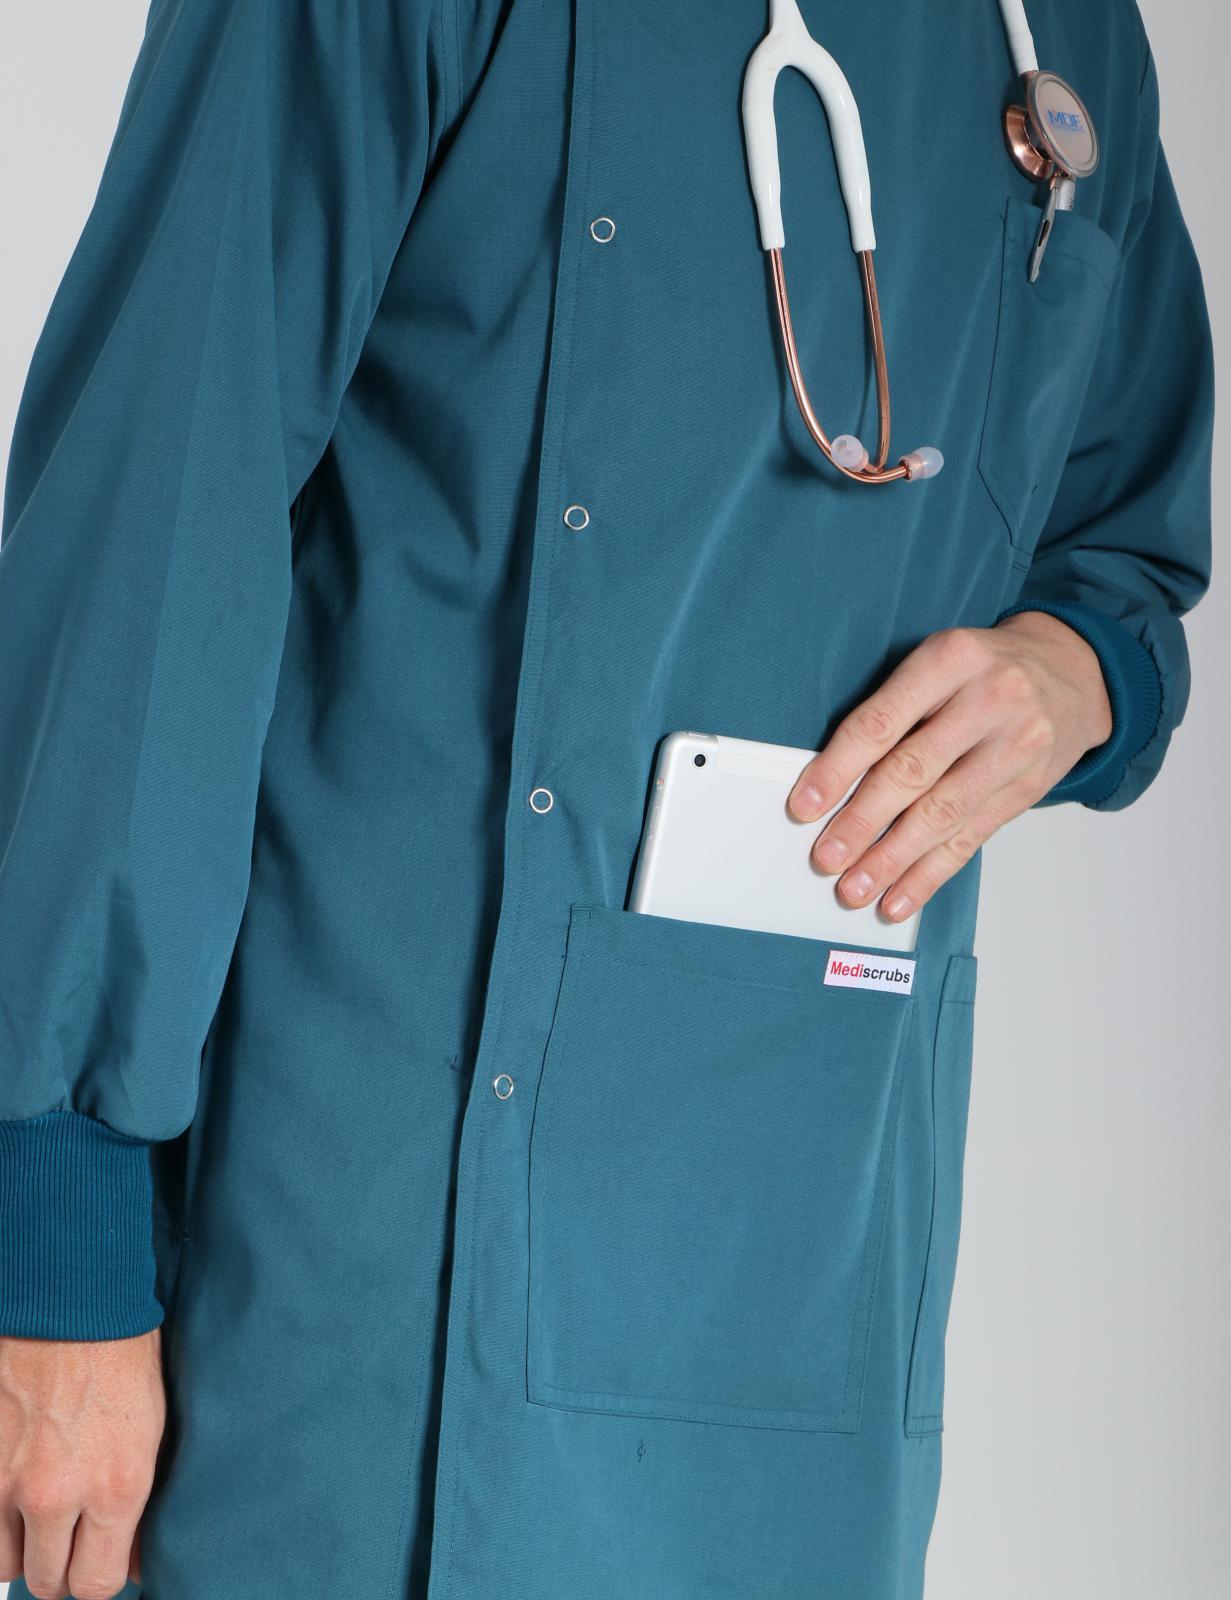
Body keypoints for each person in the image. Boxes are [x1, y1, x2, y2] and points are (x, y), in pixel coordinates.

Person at [0, 1, 1213, 1597]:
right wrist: (59, 1240)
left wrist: (1079, 673)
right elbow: (157, 518)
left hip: (813, 1295)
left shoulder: (1061, 34)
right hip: (369, 1272)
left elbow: (1125, 540)